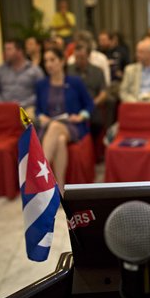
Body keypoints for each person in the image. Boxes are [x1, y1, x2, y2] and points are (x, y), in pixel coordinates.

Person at [35, 48, 94, 194]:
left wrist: (81, 116)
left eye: (52, 60)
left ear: (62, 61)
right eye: (46, 61)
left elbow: (89, 104)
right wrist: (41, 116)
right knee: (60, 140)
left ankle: (38, 175)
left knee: (56, 127)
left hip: (72, 124)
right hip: (49, 127)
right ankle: (59, 189)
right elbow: (37, 109)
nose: (48, 64)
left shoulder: (75, 82)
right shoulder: (41, 84)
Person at [67, 41, 107, 152]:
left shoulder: (97, 71)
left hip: (92, 104)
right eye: (76, 57)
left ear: (88, 56)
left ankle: (92, 150)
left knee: (97, 122)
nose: (78, 60)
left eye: (82, 57)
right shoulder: (68, 70)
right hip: (72, 106)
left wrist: (94, 102)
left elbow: (104, 92)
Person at [0, 39, 45, 114]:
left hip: (27, 108)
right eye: (5, 49)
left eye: (9, 49)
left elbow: (41, 92)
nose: (5, 52)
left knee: (30, 117)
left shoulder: (35, 70)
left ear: (19, 51)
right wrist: (3, 104)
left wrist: (22, 104)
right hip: (3, 107)